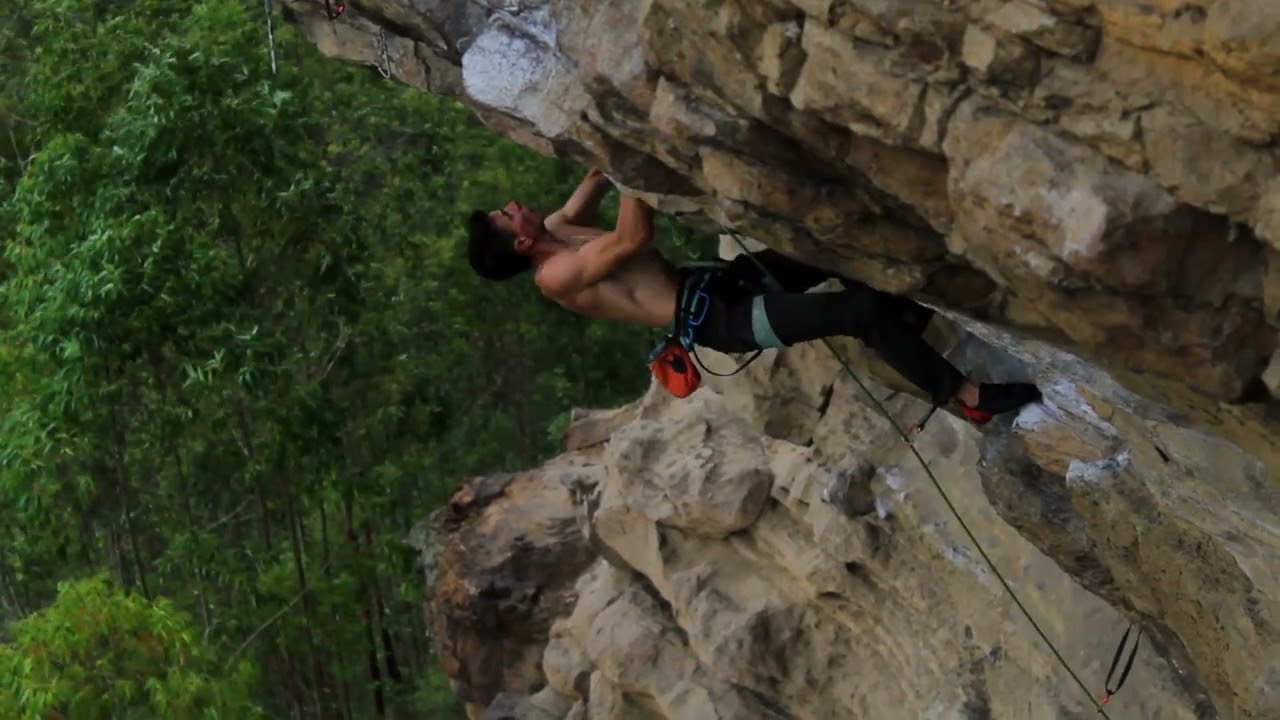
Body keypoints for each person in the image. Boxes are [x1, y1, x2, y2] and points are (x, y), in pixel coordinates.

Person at [465, 168, 1041, 426]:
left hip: (721, 284)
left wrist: (612, 148)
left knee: (825, 248)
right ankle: (965, 396)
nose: (513, 204)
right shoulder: (556, 276)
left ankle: (904, 322)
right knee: (859, 313)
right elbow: (631, 238)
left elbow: (597, 176)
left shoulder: (558, 226)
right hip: (725, 321)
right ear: (521, 242)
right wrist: (633, 167)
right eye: (506, 214)